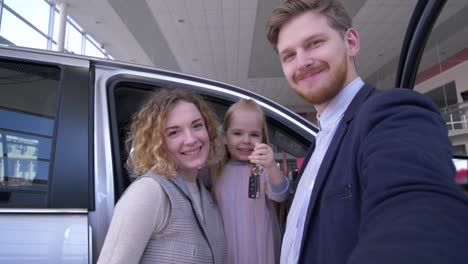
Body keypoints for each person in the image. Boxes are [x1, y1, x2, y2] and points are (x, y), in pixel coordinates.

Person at [265, 0, 468, 263]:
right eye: (289, 55)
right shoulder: (318, 142)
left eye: (315, 43)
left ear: (351, 42)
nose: (302, 61)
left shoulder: (391, 112)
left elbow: (422, 215)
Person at [97, 89, 226, 264]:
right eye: (174, 132)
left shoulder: (206, 195)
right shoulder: (149, 192)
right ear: (158, 143)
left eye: (197, 125)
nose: (191, 139)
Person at [213, 99, 289, 264]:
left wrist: (271, 166)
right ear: (225, 137)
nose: (246, 140)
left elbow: (281, 194)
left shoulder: (263, 169)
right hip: (227, 248)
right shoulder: (215, 172)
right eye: (237, 133)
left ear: (262, 138)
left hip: (259, 248)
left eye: (254, 134)